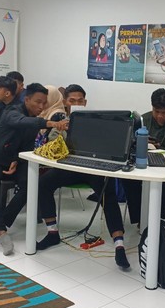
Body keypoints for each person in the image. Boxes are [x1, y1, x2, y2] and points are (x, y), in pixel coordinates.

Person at [34, 89, 131, 269]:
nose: (76, 104)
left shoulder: (98, 121)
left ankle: (119, 245)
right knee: (43, 183)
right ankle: (52, 233)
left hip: (93, 168)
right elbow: (52, 145)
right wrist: (63, 130)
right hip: (72, 167)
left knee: (107, 193)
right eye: (72, 100)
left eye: (80, 100)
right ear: (66, 102)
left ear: (85, 102)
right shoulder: (60, 120)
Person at [0, 82, 68, 256]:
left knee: (33, 184)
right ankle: (1, 232)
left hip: (16, 160)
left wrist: (15, 159)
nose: (41, 106)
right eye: (38, 102)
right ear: (27, 100)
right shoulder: (12, 111)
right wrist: (50, 123)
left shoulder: (33, 117)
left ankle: (3, 221)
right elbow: (21, 122)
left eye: (44, 103)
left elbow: (25, 145)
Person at [123, 88, 165, 226]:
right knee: (128, 178)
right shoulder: (144, 119)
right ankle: (140, 217)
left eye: (164, 112)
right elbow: (130, 144)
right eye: (156, 111)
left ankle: (156, 217)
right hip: (145, 157)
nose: (160, 116)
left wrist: (156, 154)